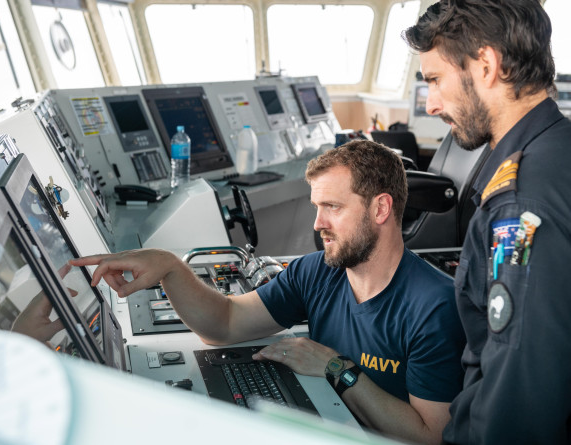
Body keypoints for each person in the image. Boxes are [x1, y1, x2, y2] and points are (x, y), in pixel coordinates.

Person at [71, 140, 465, 445]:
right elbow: (224, 323)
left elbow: (430, 436)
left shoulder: (435, 306)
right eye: (316, 207)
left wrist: (337, 368)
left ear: (380, 209)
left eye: (332, 207)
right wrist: (172, 269)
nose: (318, 223)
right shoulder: (317, 272)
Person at [404, 1, 571, 443]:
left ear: (486, 65)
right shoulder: (559, 149)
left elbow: (520, 392)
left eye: (436, 80)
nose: (433, 104)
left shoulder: (518, 204)